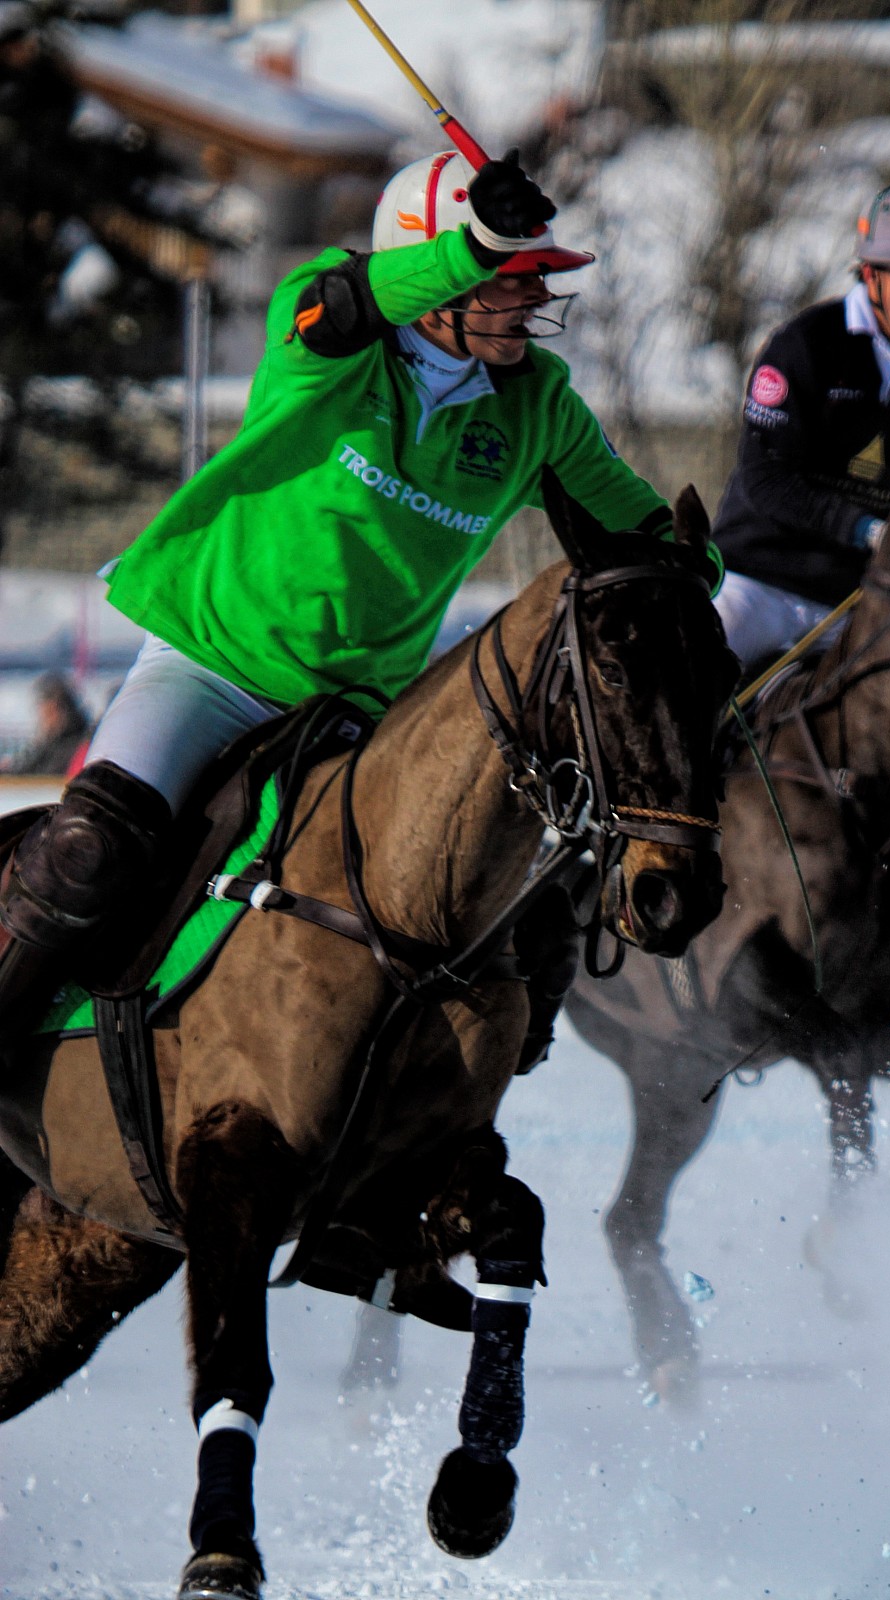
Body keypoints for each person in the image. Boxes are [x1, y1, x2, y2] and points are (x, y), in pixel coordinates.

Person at [0, 147, 687, 1038]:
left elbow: (646, 535)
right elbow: (351, 298)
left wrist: (690, 582)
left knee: (521, 926)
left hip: (362, 716)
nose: (533, 299)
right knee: (84, 857)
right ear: (440, 280)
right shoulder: (327, 335)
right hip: (212, 670)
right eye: (510, 278)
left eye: (534, 279)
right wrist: (476, 242)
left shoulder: (538, 406)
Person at [710, 181, 890, 669]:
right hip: (757, 581)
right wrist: (863, 529)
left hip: (865, 599)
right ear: (871, 272)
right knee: (681, 684)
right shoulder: (805, 344)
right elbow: (766, 480)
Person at [1, 673, 87, 776]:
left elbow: (45, 777)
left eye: (49, 713)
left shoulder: (73, 746)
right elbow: (26, 765)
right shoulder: (50, 743)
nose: (43, 719)